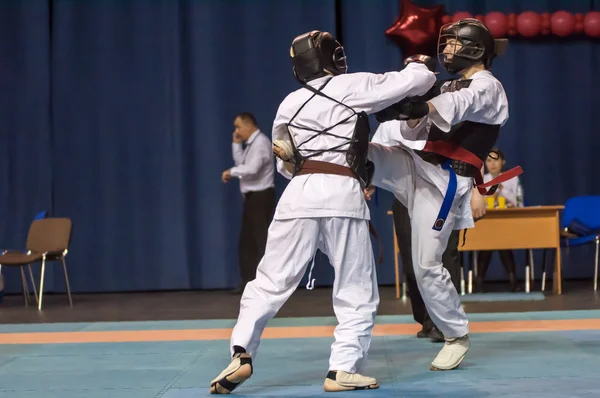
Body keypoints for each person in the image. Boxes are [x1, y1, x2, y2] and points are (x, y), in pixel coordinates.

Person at [209, 30, 436, 394]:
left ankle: (241, 350)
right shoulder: (352, 85)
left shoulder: (288, 103)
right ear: (336, 59)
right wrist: (420, 65)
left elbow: (285, 163)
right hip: (342, 192)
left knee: (268, 281)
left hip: (298, 195)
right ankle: (342, 368)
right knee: (356, 288)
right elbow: (415, 80)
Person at [367, 18, 520, 371]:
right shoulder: (448, 84)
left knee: (425, 265)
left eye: (453, 43)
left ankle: (456, 335)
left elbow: (463, 103)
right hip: (418, 165)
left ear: (474, 48)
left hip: (448, 181)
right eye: (446, 42)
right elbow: (415, 126)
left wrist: (423, 106)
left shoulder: (487, 86)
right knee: (361, 152)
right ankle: (312, 155)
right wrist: (400, 109)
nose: (446, 49)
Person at [370, 119, 462, 343]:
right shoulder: (389, 125)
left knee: (444, 257)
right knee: (413, 260)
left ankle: (444, 321)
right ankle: (425, 318)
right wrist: (368, 183)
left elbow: (466, 152)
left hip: (443, 193)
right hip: (404, 196)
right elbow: (373, 159)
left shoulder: (441, 117)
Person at [221, 113, 276, 294]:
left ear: (249, 126)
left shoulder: (261, 143)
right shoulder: (251, 144)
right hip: (252, 198)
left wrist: (231, 172)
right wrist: (236, 144)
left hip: (261, 198)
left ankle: (266, 284)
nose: (236, 131)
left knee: (261, 241)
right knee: (248, 242)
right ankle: (248, 282)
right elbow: (242, 163)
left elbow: (251, 170)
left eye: (238, 127)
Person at [476, 147, 521, 292]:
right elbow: (475, 203)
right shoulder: (481, 180)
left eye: (496, 160)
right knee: (486, 244)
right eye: (489, 160)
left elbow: (519, 202)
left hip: (506, 222)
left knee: (503, 243)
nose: (493, 164)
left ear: (503, 162)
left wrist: (503, 191)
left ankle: (513, 281)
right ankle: (478, 283)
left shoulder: (512, 178)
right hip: (485, 223)